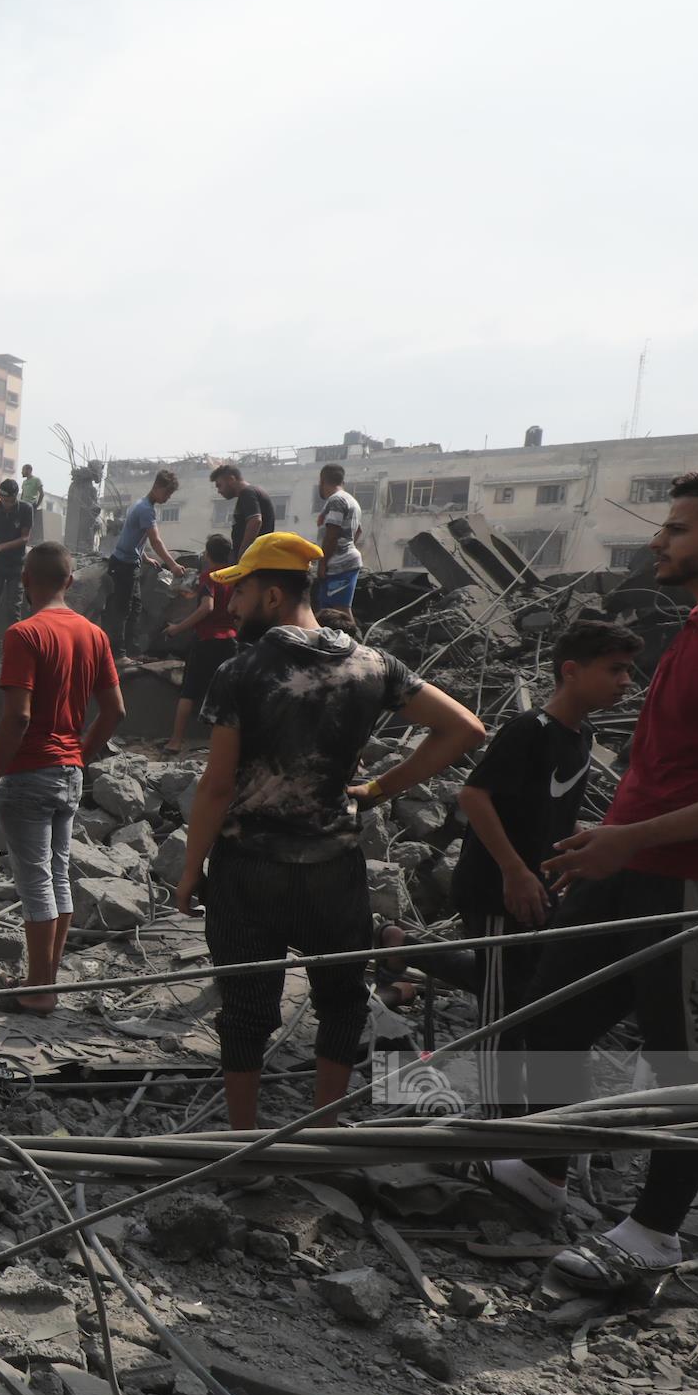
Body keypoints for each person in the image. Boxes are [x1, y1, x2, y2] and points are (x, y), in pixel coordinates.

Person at [497, 469, 698, 1289]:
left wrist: (632, 839)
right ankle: (543, 1170)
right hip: (626, 867)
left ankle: (652, 1236)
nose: (659, 540)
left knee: (689, 1066)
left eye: (678, 528)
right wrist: (618, 844)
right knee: (553, 1022)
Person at [173, 532, 485, 1130]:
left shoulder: (241, 671)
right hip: (333, 869)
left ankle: (244, 1139)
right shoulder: (372, 665)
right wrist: (379, 789)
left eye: (240, 593)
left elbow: (215, 786)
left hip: (249, 870)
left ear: (272, 594)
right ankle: (320, 1133)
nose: (232, 606)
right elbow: (466, 729)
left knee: (246, 1009)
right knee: (340, 1003)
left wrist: (191, 870)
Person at [450, 618, 641, 1081]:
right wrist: (514, 871)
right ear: (570, 670)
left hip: (540, 890)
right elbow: (474, 795)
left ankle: (528, 1114)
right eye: (614, 670)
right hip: (497, 891)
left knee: (528, 999)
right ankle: (495, 1120)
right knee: (500, 1016)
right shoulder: (530, 728)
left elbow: (552, 809)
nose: (625, 682)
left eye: (628, 671)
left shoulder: (582, 736)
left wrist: (581, 844)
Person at [0, 544, 123, 1012]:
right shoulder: (94, 634)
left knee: (37, 881)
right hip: (68, 773)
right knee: (57, 875)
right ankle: (46, 982)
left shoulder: (24, 634)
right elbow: (115, 711)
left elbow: (17, 716)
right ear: (70, 581)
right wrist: (79, 755)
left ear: (25, 580)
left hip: (30, 774)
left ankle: (39, 991)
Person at [159, 535, 240, 753]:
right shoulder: (234, 578)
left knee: (189, 691)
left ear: (208, 554)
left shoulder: (209, 577)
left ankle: (176, 741)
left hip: (207, 641)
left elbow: (207, 606)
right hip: (230, 641)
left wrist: (177, 628)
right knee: (226, 694)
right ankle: (222, 745)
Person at [103, 470, 183, 656]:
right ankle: (118, 654)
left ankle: (132, 652)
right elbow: (155, 541)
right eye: (167, 493)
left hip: (130, 563)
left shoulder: (140, 504)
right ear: (157, 487)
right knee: (122, 611)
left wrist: (144, 557)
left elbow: (134, 536)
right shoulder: (146, 510)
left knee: (135, 609)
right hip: (124, 566)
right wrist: (173, 565)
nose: (168, 498)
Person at [0, 477, 36, 640]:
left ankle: (15, 642)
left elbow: (25, 538)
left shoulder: (25, 509)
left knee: (13, 607)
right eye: (4, 500)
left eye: (11, 501)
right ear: (0, 496)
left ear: (16, 496)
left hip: (16, 565)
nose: (7, 504)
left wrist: (2, 547)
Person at [314, 462, 364, 616]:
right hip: (342, 562)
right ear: (342, 481)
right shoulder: (350, 500)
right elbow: (358, 531)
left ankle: (352, 633)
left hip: (338, 565)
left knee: (340, 613)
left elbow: (332, 534)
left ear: (322, 480)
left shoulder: (336, 501)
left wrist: (323, 563)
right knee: (328, 612)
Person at [211, 463, 277, 559]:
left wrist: (243, 552)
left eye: (219, 485)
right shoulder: (249, 493)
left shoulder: (247, 493)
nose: (219, 491)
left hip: (254, 558)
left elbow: (255, 521)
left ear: (231, 479)